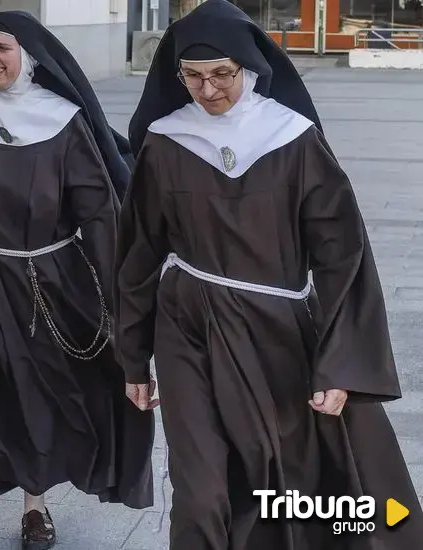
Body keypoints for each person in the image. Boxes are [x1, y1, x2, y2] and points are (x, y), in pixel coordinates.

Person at [115, 1, 423, 548]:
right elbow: (139, 253)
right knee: (200, 487)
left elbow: (341, 256)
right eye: (192, 77)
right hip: (187, 324)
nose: (208, 91)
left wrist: (340, 365)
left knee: (277, 475)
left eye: (222, 75)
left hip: (275, 326)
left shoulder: (293, 139)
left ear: (250, 70)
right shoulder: (165, 142)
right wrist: (133, 356)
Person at [0, 10, 155, 550]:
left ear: (30, 58)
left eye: (3, 48)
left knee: (32, 396)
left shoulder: (63, 123)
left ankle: (34, 508)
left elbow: (99, 218)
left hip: (45, 281)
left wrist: (115, 303)